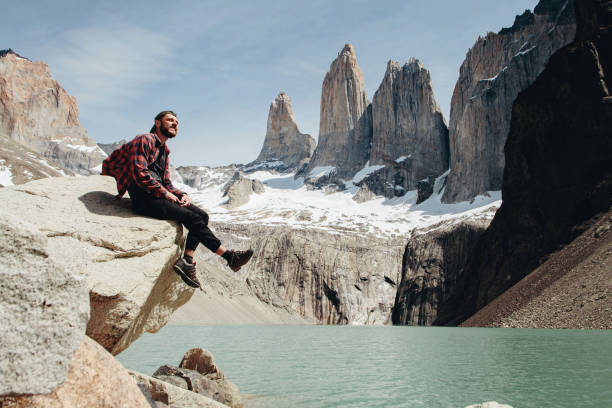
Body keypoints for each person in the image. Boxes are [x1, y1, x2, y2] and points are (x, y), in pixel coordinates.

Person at [101, 110, 253, 289]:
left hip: (155, 196)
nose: (175, 124)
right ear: (157, 123)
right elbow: (139, 173)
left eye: (176, 122)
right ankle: (229, 256)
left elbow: (166, 182)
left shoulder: (164, 151)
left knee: (202, 216)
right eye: (170, 120)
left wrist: (181, 195)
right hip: (143, 198)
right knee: (193, 218)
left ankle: (187, 260)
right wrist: (165, 193)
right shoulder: (145, 140)